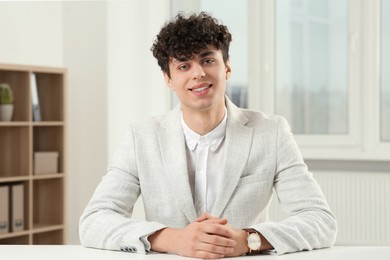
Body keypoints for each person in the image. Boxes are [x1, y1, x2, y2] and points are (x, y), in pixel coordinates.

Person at [79, 12, 337, 259]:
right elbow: (94, 221)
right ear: (168, 79)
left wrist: (247, 241)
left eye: (208, 60)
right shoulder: (142, 137)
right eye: (183, 65)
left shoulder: (271, 132)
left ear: (227, 68)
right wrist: (173, 239)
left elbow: (320, 220)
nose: (198, 73)